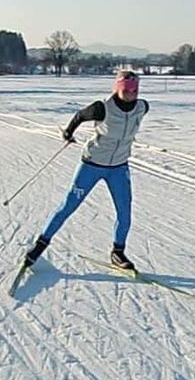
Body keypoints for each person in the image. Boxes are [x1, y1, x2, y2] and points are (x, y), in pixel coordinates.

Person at [20, 70, 149, 271]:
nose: (131, 93)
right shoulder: (102, 108)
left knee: (125, 212)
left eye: (134, 89)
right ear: (118, 88)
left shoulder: (142, 107)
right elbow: (79, 116)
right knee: (69, 205)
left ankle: (118, 252)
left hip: (118, 167)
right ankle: (40, 245)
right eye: (126, 89)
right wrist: (68, 133)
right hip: (92, 165)